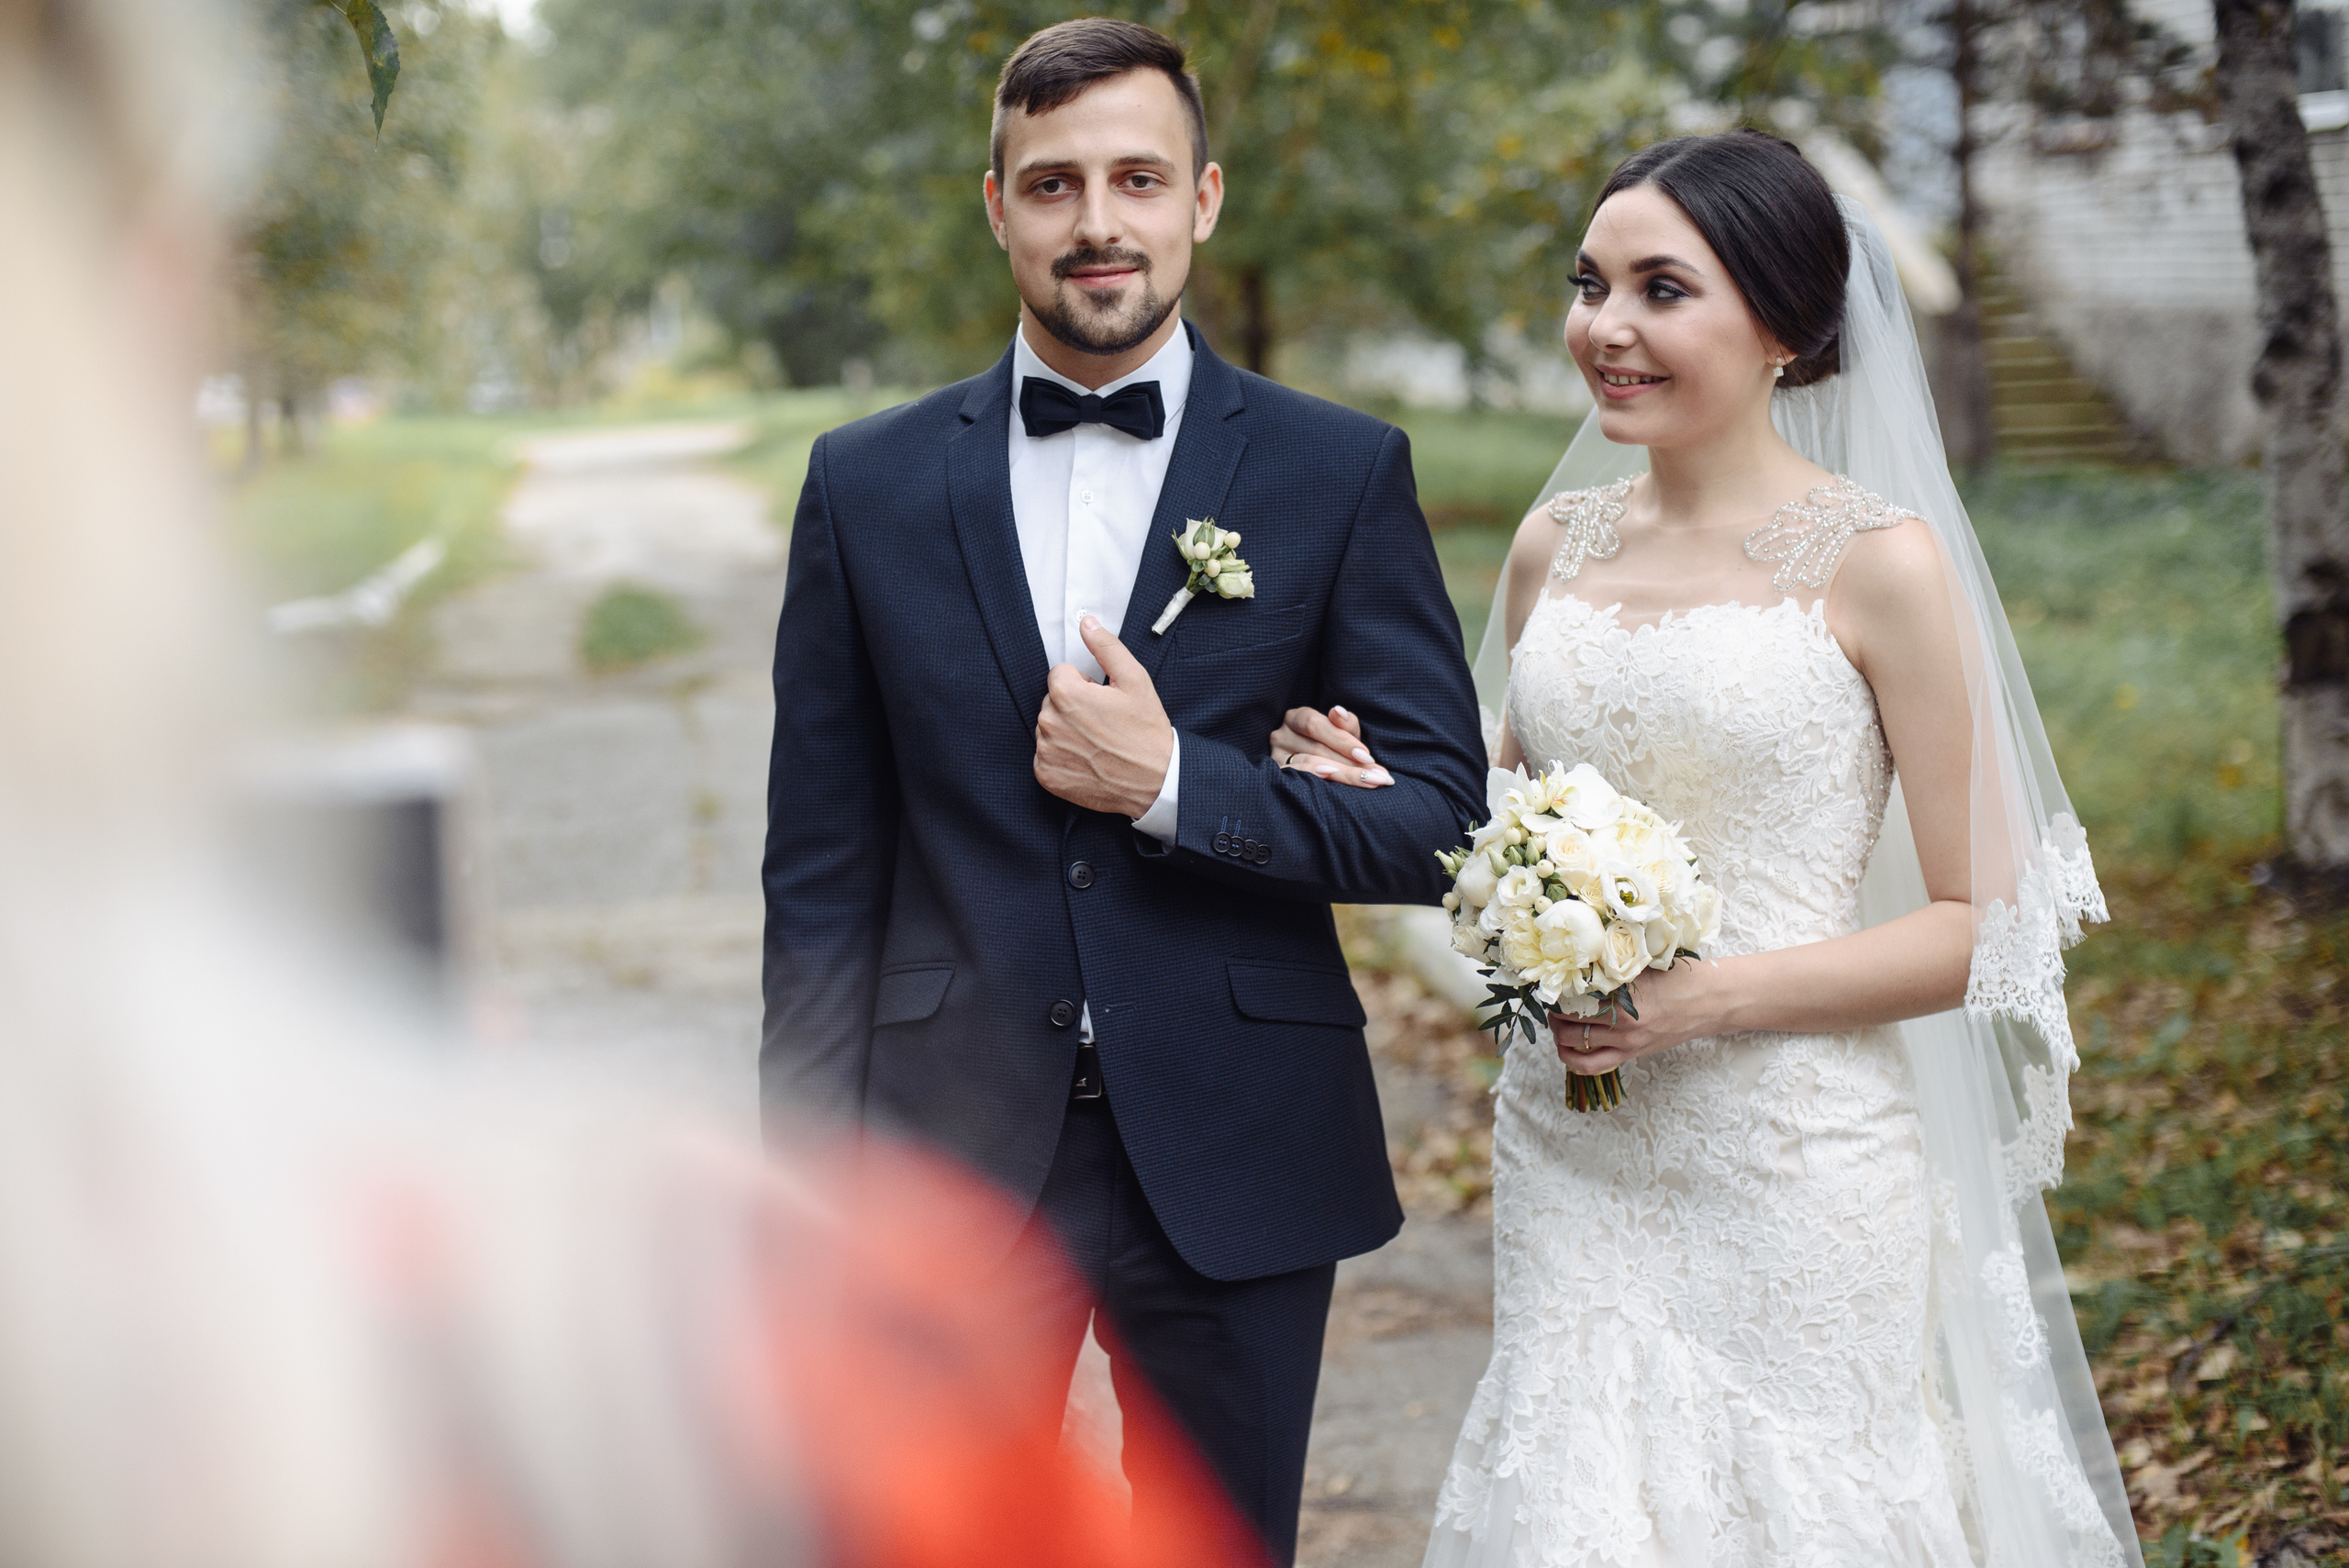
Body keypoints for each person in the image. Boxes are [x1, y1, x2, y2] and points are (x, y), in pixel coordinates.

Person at [1280, 131, 2141, 1566]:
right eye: (1589, 282)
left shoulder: (1882, 564)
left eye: (1661, 289)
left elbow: (1979, 920)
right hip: (1573, 1147)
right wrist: (1374, 788)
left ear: (1788, 329)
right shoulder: (1556, 544)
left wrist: (1701, 1001)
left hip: (1798, 1163)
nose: (1604, 329)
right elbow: (1496, 840)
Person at [758, 16, 1486, 1562]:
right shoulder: (863, 483)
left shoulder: (1337, 471)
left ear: (1204, 199)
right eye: (1055, 183)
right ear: (998, 203)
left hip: (1237, 1139)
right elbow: (819, 877)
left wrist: (1175, 784)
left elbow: (1439, 818)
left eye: (1138, 178)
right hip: (944, 1154)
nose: (1099, 223)